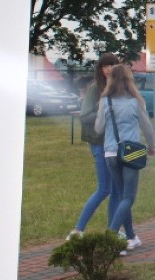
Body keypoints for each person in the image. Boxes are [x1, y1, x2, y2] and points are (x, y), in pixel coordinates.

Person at [94, 64, 155, 253]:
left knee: (122, 196)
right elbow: (147, 126)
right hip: (132, 151)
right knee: (128, 197)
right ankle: (111, 237)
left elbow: (98, 128)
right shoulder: (135, 101)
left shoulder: (105, 101)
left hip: (110, 152)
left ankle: (131, 237)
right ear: (129, 79)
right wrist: (151, 146)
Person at [67, 53, 122, 240]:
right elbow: (84, 116)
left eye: (111, 65)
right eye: (104, 66)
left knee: (116, 190)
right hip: (99, 143)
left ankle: (112, 232)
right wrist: (105, 115)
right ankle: (78, 230)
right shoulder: (94, 89)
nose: (107, 69)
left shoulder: (120, 88)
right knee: (104, 188)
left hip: (116, 144)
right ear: (100, 69)